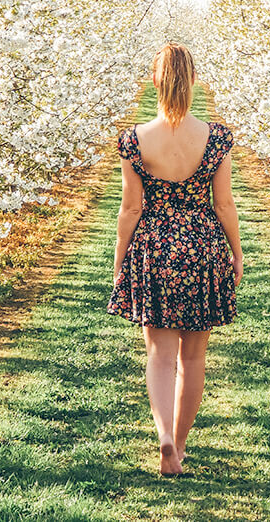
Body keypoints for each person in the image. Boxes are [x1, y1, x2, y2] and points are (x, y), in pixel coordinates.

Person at [107, 42, 242, 477]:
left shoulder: (135, 140)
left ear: (154, 83)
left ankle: (163, 434)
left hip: (154, 248)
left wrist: (120, 260)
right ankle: (179, 447)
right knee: (194, 358)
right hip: (201, 245)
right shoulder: (216, 137)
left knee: (159, 354)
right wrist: (236, 254)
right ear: (195, 81)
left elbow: (130, 209)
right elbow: (224, 205)